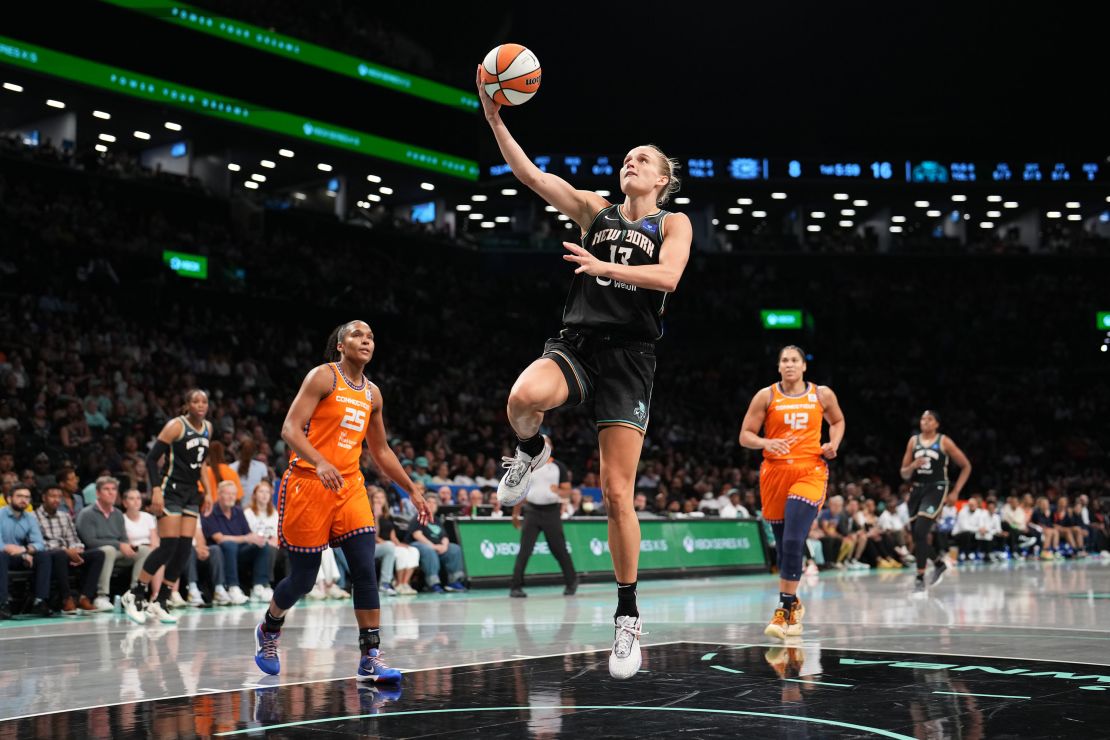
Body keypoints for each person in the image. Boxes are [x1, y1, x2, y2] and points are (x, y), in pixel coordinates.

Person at [477, 65, 693, 680]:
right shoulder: (595, 210)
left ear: (662, 179)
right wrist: (495, 118)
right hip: (578, 343)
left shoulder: (670, 225)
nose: (632, 162)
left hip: (631, 360)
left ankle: (627, 616)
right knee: (522, 396)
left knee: (617, 494)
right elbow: (532, 174)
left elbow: (669, 278)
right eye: (627, 156)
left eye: (643, 159)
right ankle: (530, 449)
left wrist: (604, 265)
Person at [252, 320, 430, 682]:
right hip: (308, 482)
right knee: (303, 579)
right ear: (340, 345)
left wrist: (410, 488)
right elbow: (289, 429)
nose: (366, 340)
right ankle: (269, 629)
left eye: (371, 337)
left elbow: (379, 450)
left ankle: (371, 656)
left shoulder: (373, 394)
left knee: (365, 569)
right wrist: (319, 461)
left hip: (349, 487)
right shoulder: (323, 377)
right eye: (357, 335)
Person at [739, 345, 845, 640]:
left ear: (803, 366)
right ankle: (795, 604)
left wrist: (833, 443)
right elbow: (745, 435)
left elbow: (837, 421)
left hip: (809, 470)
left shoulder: (822, 394)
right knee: (784, 543)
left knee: (794, 538)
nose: (789, 364)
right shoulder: (766, 395)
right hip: (774, 473)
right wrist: (765, 443)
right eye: (784, 360)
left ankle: (783, 608)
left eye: (794, 360)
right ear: (778, 366)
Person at [121, 389, 214, 626]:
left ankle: (161, 600)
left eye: (204, 401)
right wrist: (155, 490)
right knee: (168, 546)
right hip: (169, 489)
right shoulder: (176, 426)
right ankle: (135, 594)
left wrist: (209, 491)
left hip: (191, 492)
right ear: (187, 404)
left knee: (184, 549)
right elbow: (152, 459)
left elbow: (201, 464)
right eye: (195, 401)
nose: (200, 405)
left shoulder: (208, 428)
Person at [898, 410, 971, 595]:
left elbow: (966, 466)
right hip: (917, 489)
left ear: (937, 424)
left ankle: (920, 578)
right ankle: (939, 564)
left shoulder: (944, 441)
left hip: (936, 488)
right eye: (923, 418)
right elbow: (903, 473)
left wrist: (955, 491)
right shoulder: (913, 441)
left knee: (921, 530)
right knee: (917, 536)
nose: (925, 422)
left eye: (929, 419)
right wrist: (912, 466)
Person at [509, 436, 577, 598]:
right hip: (531, 511)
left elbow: (567, 491)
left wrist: (558, 491)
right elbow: (521, 492)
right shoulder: (527, 466)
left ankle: (571, 581)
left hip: (551, 512)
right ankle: (515, 587)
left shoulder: (558, 467)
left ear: (550, 447)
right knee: (525, 550)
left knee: (558, 549)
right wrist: (515, 513)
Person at [36, 485, 109, 613]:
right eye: (52, 496)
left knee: (99, 554)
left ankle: (85, 597)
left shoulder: (64, 516)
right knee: (60, 554)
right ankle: (67, 599)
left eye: (59, 497)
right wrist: (66, 550)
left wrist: (76, 549)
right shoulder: (34, 516)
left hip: (68, 553)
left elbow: (74, 539)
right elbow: (39, 543)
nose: (56, 500)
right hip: (48, 556)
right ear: (44, 498)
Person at [76, 476, 147, 605]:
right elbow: (89, 541)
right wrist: (119, 545)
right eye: (106, 489)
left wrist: (128, 546)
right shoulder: (86, 513)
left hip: (116, 553)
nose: (111, 492)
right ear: (98, 493)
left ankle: (135, 593)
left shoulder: (118, 514)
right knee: (108, 550)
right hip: (94, 553)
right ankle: (102, 596)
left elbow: (123, 538)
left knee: (143, 550)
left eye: (114, 489)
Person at [0, 484, 54, 618]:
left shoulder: (30, 518)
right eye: (19, 496)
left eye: (27, 497)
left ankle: (39, 602)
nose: (24, 500)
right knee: (1, 556)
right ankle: (3, 603)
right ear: (9, 498)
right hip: (3, 556)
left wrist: (24, 551)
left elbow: (39, 543)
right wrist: (13, 550)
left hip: (20, 556)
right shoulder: (0, 515)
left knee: (44, 556)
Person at [408, 497, 467, 593]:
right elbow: (417, 535)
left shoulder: (437, 520)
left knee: (454, 549)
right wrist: (433, 546)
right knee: (428, 550)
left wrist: (444, 546)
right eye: (429, 502)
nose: (431, 504)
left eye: (434, 503)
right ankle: (433, 583)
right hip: (419, 545)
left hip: (437, 546)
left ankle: (454, 581)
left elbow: (444, 537)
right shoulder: (419, 517)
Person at [372, 488, 419, 596]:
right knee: (395, 550)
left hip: (389, 544)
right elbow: (373, 536)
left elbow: (392, 535)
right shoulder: (368, 513)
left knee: (412, 550)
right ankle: (393, 583)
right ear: (372, 499)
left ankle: (404, 584)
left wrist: (400, 544)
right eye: (376, 498)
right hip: (377, 544)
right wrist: (376, 517)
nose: (379, 500)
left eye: (382, 497)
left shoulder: (389, 516)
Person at [244, 481, 279, 603]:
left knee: (277, 549)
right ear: (254, 495)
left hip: (273, 546)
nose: (264, 495)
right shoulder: (248, 513)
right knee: (267, 548)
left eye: (267, 492)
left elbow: (278, 535)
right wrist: (266, 540)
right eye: (261, 492)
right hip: (254, 546)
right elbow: (249, 534)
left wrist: (275, 540)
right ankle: (262, 585)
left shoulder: (274, 514)